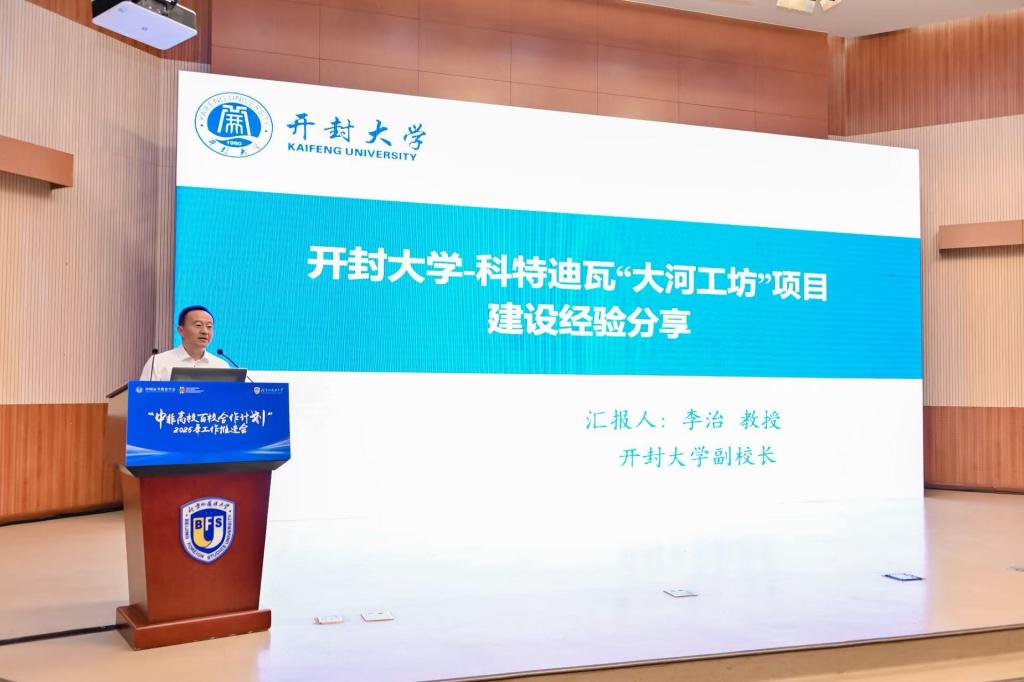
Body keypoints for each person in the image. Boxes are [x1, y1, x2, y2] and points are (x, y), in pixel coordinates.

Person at [140, 305, 230, 380]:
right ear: (181, 330)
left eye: (209, 326)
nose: (205, 331)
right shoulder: (157, 362)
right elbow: (144, 395)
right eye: (198, 325)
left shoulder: (221, 366)